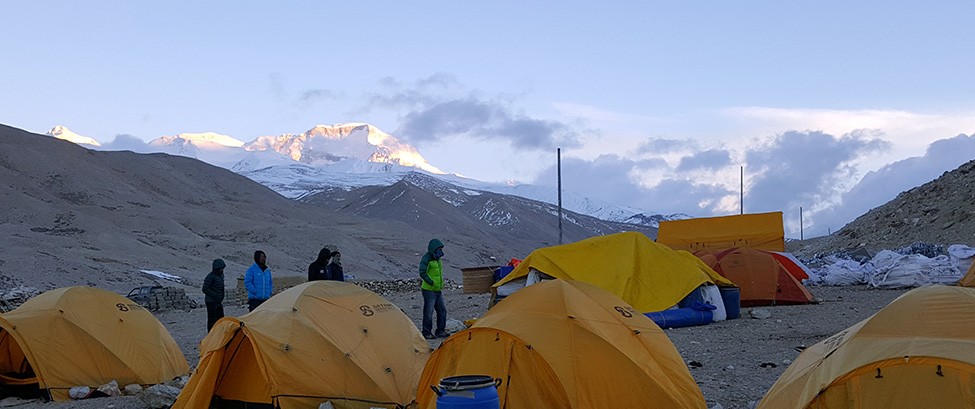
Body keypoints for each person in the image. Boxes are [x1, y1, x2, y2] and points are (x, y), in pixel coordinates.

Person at [418, 239, 448, 339]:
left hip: (437, 290)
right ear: (433, 249)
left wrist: (439, 284)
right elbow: (422, 272)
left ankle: (440, 331)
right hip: (428, 289)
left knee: (442, 310)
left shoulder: (438, 259)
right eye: (439, 249)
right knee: (428, 312)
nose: (441, 251)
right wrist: (431, 282)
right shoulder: (427, 258)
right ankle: (426, 332)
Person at [202, 258, 226, 331]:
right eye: (221, 269)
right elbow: (204, 289)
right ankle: (211, 335)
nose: (222, 270)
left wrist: (221, 296)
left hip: (218, 301)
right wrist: (215, 295)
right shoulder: (210, 277)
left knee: (221, 318)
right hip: (211, 302)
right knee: (212, 320)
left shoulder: (221, 276)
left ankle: (219, 333)